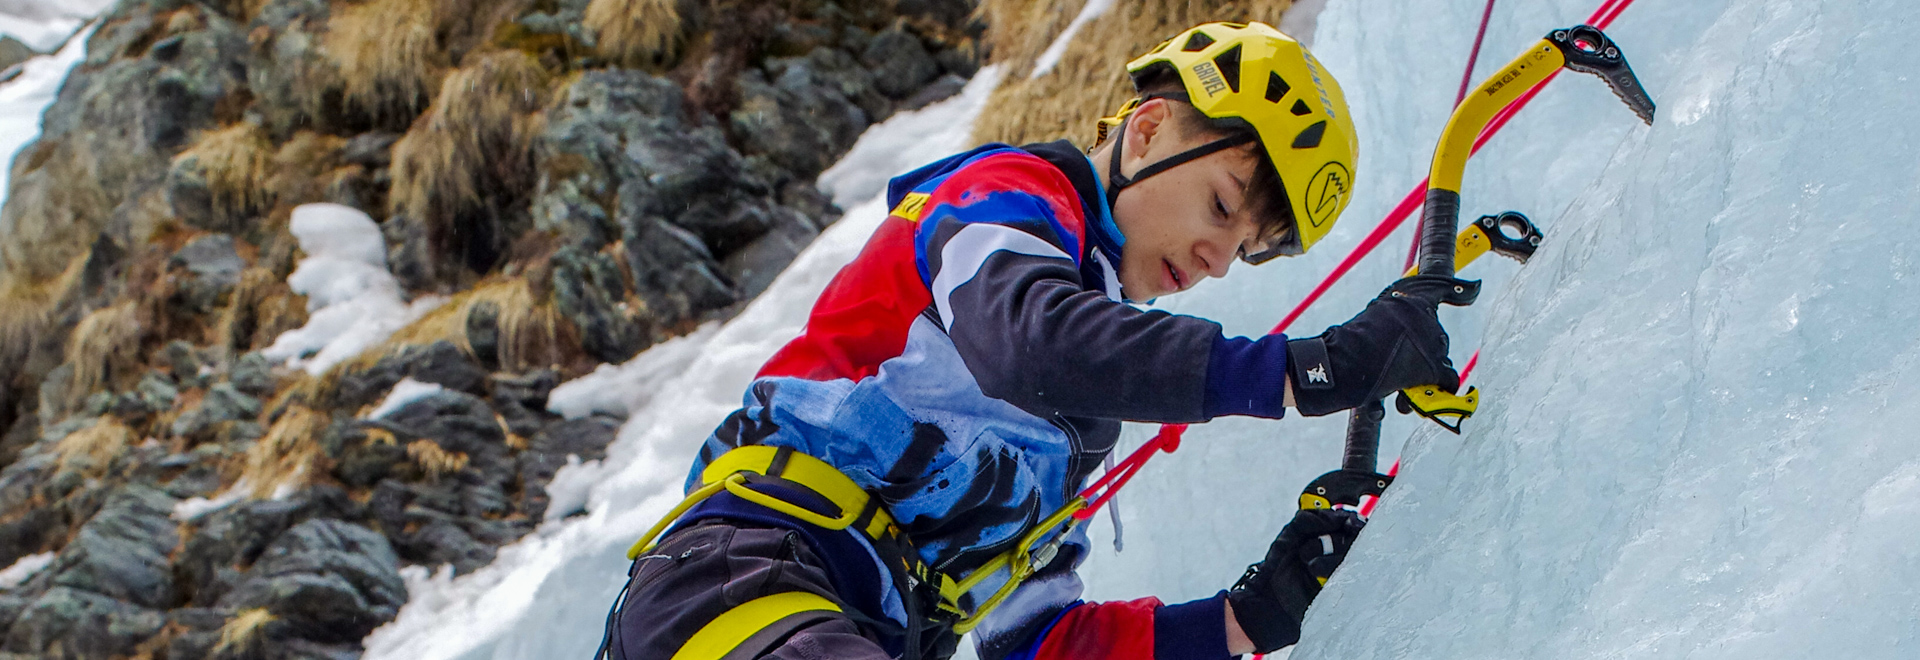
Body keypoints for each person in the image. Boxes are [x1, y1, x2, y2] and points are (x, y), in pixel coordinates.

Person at [598, 21, 1474, 660]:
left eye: (1242, 250)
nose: (1216, 259)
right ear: (1148, 130)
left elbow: (1038, 639)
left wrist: (1246, 617)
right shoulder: (1005, 200)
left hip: (825, 623)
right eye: (1219, 205)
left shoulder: (1072, 428)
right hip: (744, 576)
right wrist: (1306, 371)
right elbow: (1027, 338)